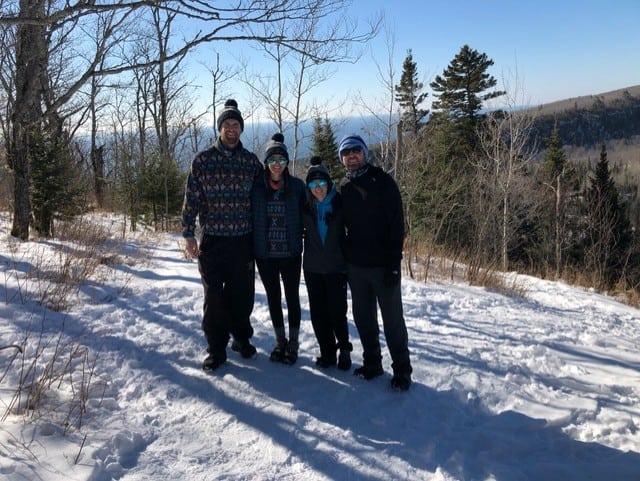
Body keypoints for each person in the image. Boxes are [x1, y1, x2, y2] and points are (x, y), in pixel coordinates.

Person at [182, 99, 263, 371]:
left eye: (236, 124)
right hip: (213, 240)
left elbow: (261, 201)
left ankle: (241, 338)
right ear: (220, 128)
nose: (231, 129)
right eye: (227, 124)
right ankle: (216, 349)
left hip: (243, 240)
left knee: (242, 295)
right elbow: (191, 200)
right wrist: (188, 234)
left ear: (241, 129)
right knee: (214, 298)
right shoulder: (202, 161)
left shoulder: (251, 163)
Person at [338, 133, 413, 391]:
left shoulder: (383, 182)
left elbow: (396, 226)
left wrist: (394, 263)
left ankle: (402, 370)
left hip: (384, 266)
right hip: (356, 268)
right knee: (363, 319)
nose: (351, 157)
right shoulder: (344, 188)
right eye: (346, 154)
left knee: (393, 321)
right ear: (342, 159)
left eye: (355, 151)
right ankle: (372, 363)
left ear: (364, 154)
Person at [252, 133, 306, 365]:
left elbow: (309, 215)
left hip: (291, 254)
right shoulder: (256, 188)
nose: (277, 164)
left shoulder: (297, 187)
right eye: (272, 159)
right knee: (274, 298)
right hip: (265, 256)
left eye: (281, 160)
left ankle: (293, 343)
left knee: (292, 298)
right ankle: (279, 341)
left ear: (286, 163)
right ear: (266, 162)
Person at [302, 156, 352, 370]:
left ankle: (344, 351)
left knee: (337, 312)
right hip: (313, 269)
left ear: (329, 183)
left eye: (321, 182)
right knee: (318, 314)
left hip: (336, 268)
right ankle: (327, 352)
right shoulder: (305, 207)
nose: (318, 188)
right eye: (313, 184)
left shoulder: (341, 204)